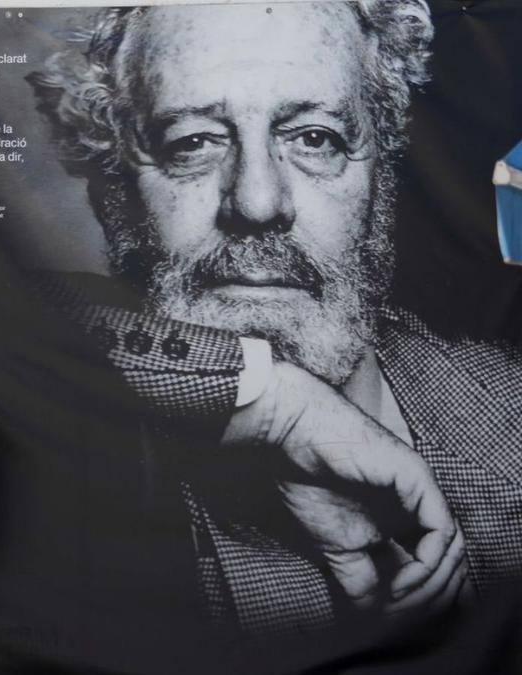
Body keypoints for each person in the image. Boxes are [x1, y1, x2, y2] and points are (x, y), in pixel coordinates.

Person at [29, 0, 522, 633]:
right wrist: (271, 403)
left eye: (315, 138)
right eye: (193, 143)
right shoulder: (54, 425)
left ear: (383, 179)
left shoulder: (506, 417)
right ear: (115, 192)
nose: (257, 202)